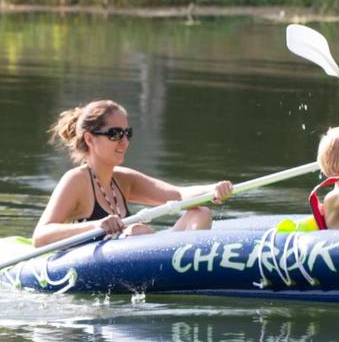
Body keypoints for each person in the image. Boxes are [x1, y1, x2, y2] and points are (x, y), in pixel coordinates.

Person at [34, 99, 233, 247]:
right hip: (88, 272)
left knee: (200, 214)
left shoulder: (123, 179)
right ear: (89, 139)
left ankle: (185, 272)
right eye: (115, 134)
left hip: (134, 260)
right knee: (137, 231)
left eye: (127, 133)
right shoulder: (76, 180)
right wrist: (96, 226)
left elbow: (178, 196)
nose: (124, 142)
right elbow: (41, 237)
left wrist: (214, 190)